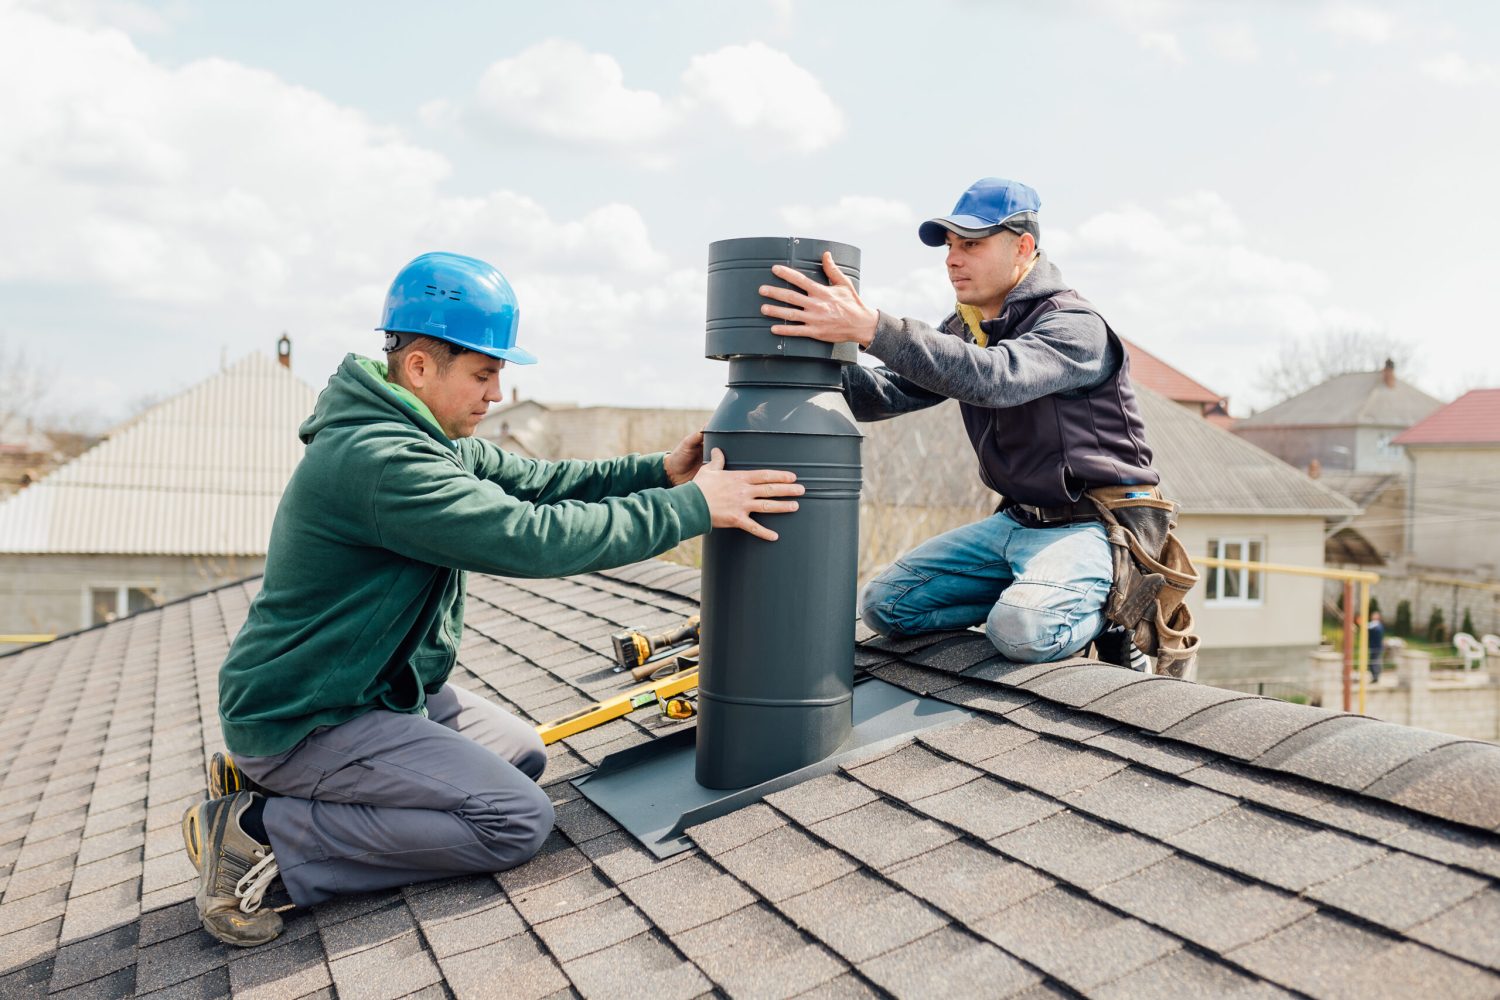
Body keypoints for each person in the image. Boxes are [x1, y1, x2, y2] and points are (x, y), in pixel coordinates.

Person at [182, 251, 804, 947]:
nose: (498, 392)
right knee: (514, 820)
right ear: (420, 367)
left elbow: (535, 483)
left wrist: (659, 471)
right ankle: (265, 836)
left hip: (371, 694)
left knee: (523, 754)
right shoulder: (385, 464)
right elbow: (531, 537)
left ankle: (282, 789)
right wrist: (693, 509)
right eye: (484, 373)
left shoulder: (423, 435)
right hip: (310, 715)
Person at [759, 177, 1158, 664]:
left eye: (971, 244)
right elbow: (889, 391)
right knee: (885, 607)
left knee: (1022, 631)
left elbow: (997, 378)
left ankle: (1111, 614)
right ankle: (1037, 594)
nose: (952, 259)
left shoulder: (1074, 325)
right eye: (950, 245)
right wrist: (790, 361)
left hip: (1097, 525)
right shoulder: (968, 327)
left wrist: (872, 327)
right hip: (1019, 520)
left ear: (1023, 247)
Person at [1368, 610, 1385, 682]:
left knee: (1375, 662)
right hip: (1374, 647)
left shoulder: (1376, 625)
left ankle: (1375, 677)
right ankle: (1375, 676)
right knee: (1373, 662)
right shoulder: (1374, 625)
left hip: (1376, 647)